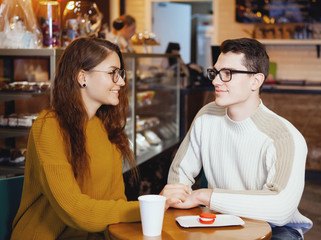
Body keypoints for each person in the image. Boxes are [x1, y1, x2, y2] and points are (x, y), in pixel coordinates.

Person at [11, 37, 190, 240]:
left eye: (121, 73)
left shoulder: (107, 127)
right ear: (82, 77)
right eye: (113, 73)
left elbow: (115, 201)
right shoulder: (49, 126)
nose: (121, 82)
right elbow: (75, 210)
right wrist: (152, 207)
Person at [168, 38, 313, 239]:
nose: (216, 81)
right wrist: (179, 197)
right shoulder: (206, 116)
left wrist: (204, 195)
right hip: (221, 217)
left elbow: (281, 208)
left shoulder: (284, 137)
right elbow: (179, 173)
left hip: (275, 227)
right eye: (216, 72)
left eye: (227, 74)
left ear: (256, 81)